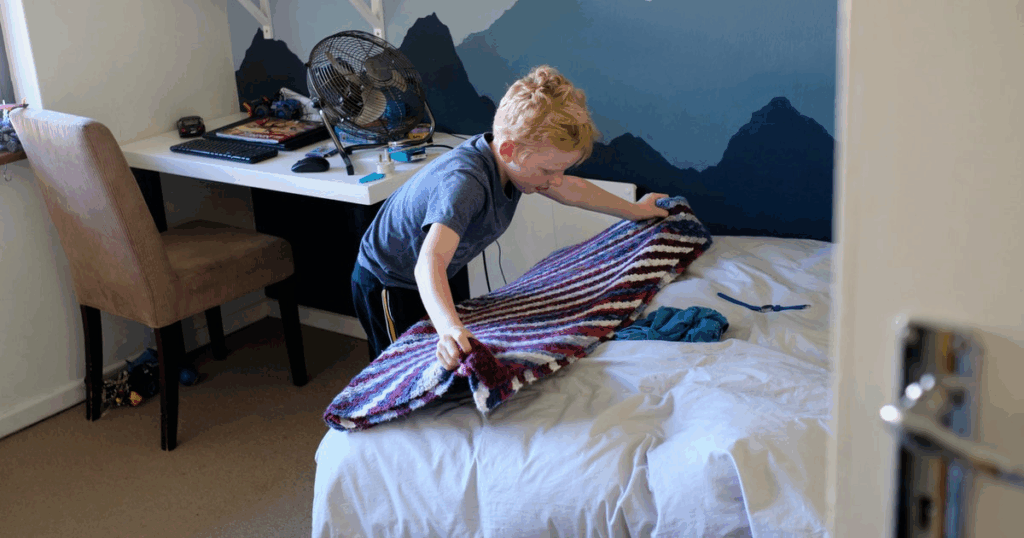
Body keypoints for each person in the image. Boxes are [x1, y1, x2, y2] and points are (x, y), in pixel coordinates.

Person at [351, 65, 669, 370]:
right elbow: (428, 262)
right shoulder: (464, 184)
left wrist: (637, 211)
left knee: (457, 353)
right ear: (508, 152)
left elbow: (572, 190)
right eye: (548, 170)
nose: (556, 179)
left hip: (440, 270)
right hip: (389, 279)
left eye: (561, 170)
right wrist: (448, 328)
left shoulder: (518, 167)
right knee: (406, 366)